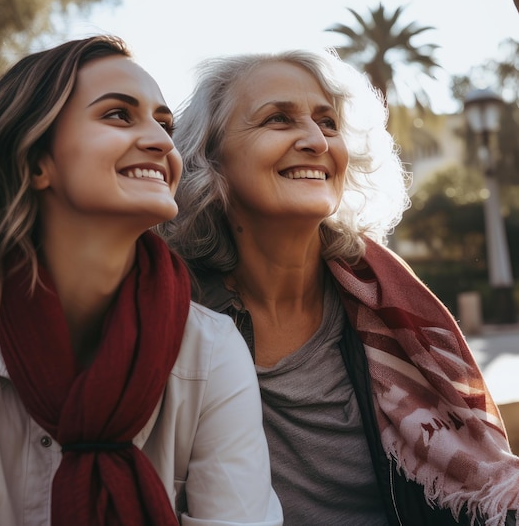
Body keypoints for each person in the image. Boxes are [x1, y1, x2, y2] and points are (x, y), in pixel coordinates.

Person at [0, 36, 283, 526]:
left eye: (166, 125)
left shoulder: (211, 349)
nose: (163, 142)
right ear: (36, 162)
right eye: (119, 115)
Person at [160, 48, 519, 526]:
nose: (316, 140)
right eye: (278, 120)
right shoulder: (171, 315)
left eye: (328, 123)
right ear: (209, 156)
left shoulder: (385, 300)